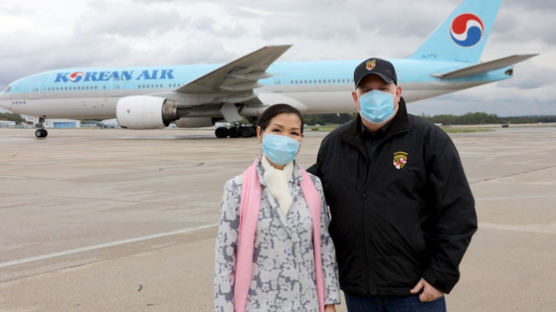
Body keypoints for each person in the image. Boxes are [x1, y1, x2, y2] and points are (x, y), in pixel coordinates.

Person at [308, 58, 477, 312]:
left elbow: (459, 213)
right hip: (359, 291)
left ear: (397, 93)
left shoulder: (429, 139)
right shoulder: (334, 144)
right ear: (356, 98)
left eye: (384, 89)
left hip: (414, 291)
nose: (375, 96)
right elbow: (306, 192)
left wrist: (440, 276)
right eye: (366, 91)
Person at [214, 104, 340, 312]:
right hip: (257, 305)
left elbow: (324, 248)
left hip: (306, 304)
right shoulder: (237, 189)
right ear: (260, 134)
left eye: (293, 133)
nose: (285, 138)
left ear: (300, 139)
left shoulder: (313, 186)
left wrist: (329, 301)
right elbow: (225, 261)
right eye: (277, 130)